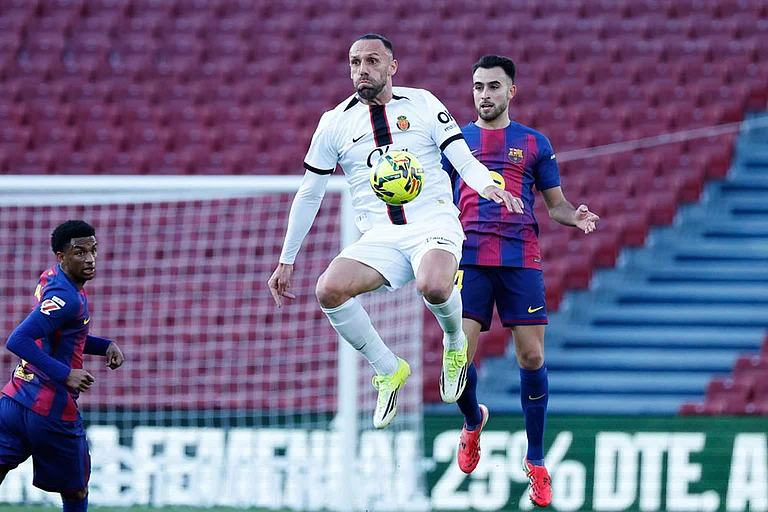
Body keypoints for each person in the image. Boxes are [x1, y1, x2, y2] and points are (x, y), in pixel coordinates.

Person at [268, 34, 523, 429]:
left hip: (433, 222)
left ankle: (455, 345)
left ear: (392, 67)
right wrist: (287, 259)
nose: (362, 70)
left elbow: (461, 155)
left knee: (435, 285)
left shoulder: (422, 103)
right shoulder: (334, 123)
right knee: (328, 290)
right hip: (380, 237)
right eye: (355, 62)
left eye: (372, 61)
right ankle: (388, 368)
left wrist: (486, 184)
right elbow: (309, 193)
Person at [443, 55, 599, 507]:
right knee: (458, 361)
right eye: (477, 86)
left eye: (493, 86)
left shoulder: (534, 143)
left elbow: (556, 206)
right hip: (468, 257)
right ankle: (473, 423)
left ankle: (535, 461)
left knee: (531, 358)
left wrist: (576, 216)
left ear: (511, 91)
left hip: (519, 259)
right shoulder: (454, 143)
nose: (484, 94)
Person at [0, 220, 124, 512]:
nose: (90, 258)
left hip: (14, 400)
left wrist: (104, 345)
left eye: (93, 250)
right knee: (76, 492)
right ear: (61, 256)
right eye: (80, 252)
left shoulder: (52, 279)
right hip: (51, 411)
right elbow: (18, 340)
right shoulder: (68, 298)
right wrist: (65, 374)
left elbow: (63, 334)